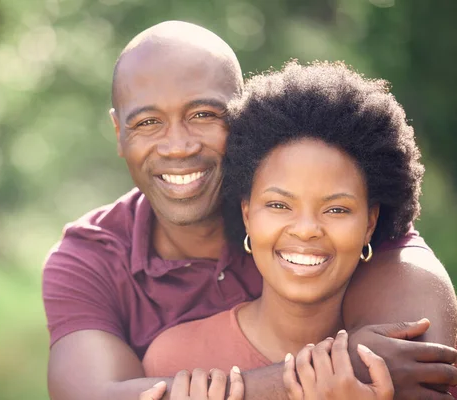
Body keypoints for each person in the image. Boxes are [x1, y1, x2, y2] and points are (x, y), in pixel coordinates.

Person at [43, 21, 457, 400]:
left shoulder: (345, 220)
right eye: (148, 123)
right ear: (119, 132)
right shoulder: (90, 257)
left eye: (203, 115)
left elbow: (414, 370)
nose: (178, 146)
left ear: (242, 117)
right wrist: (326, 370)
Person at [142, 60, 437, 399]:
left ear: (370, 223)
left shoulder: (401, 353)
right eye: (279, 205)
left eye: (336, 209)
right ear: (247, 213)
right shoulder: (176, 361)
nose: (307, 229)